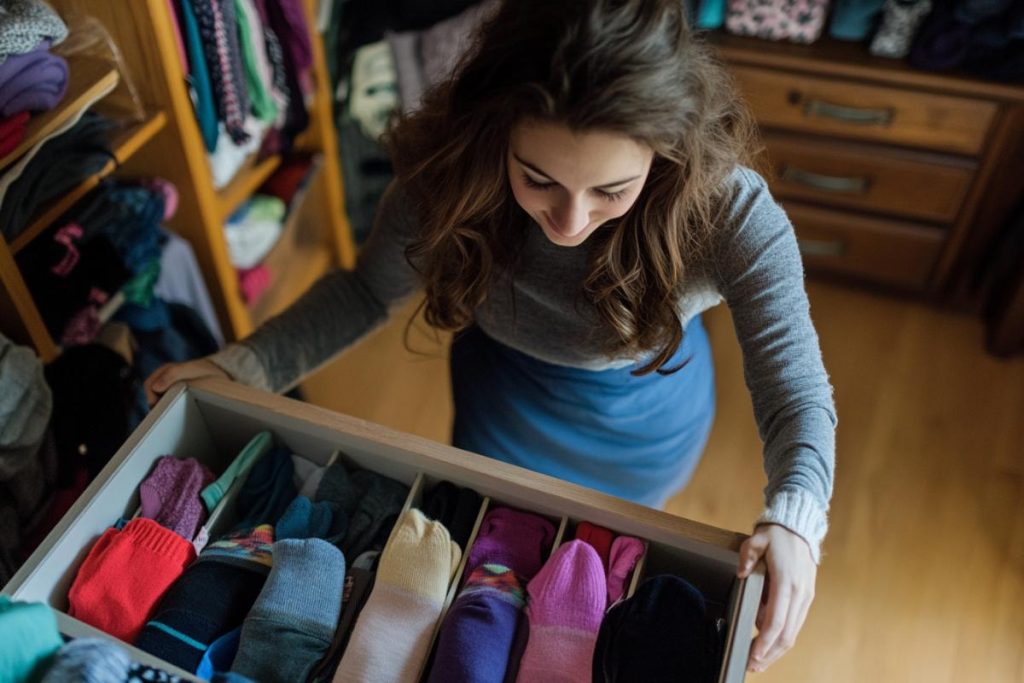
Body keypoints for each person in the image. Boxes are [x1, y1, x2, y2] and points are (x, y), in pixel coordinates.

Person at [146, 0, 836, 673]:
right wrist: (241, 365)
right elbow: (363, 293)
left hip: (640, 427)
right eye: (537, 179)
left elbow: (795, 386)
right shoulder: (444, 164)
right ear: (496, 127)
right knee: (494, 552)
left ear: (669, 149)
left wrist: (797, 519)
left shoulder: (730, 210)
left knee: (604, 560)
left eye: (612, 191)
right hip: (497, 406)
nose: (569, 220)